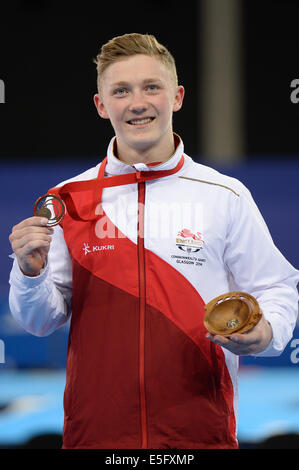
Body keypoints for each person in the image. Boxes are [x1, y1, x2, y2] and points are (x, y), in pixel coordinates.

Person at [8, 33, 299, 449]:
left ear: (177, 97)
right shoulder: (68, 199)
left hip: (200, 433)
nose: (137, 102)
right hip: (96, 435)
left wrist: (266, 334)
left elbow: (275, 287)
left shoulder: (224, 195)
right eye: (121, 91)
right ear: (101, 105)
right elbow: (38, 322)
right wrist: (29, 273)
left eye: (151, 87)